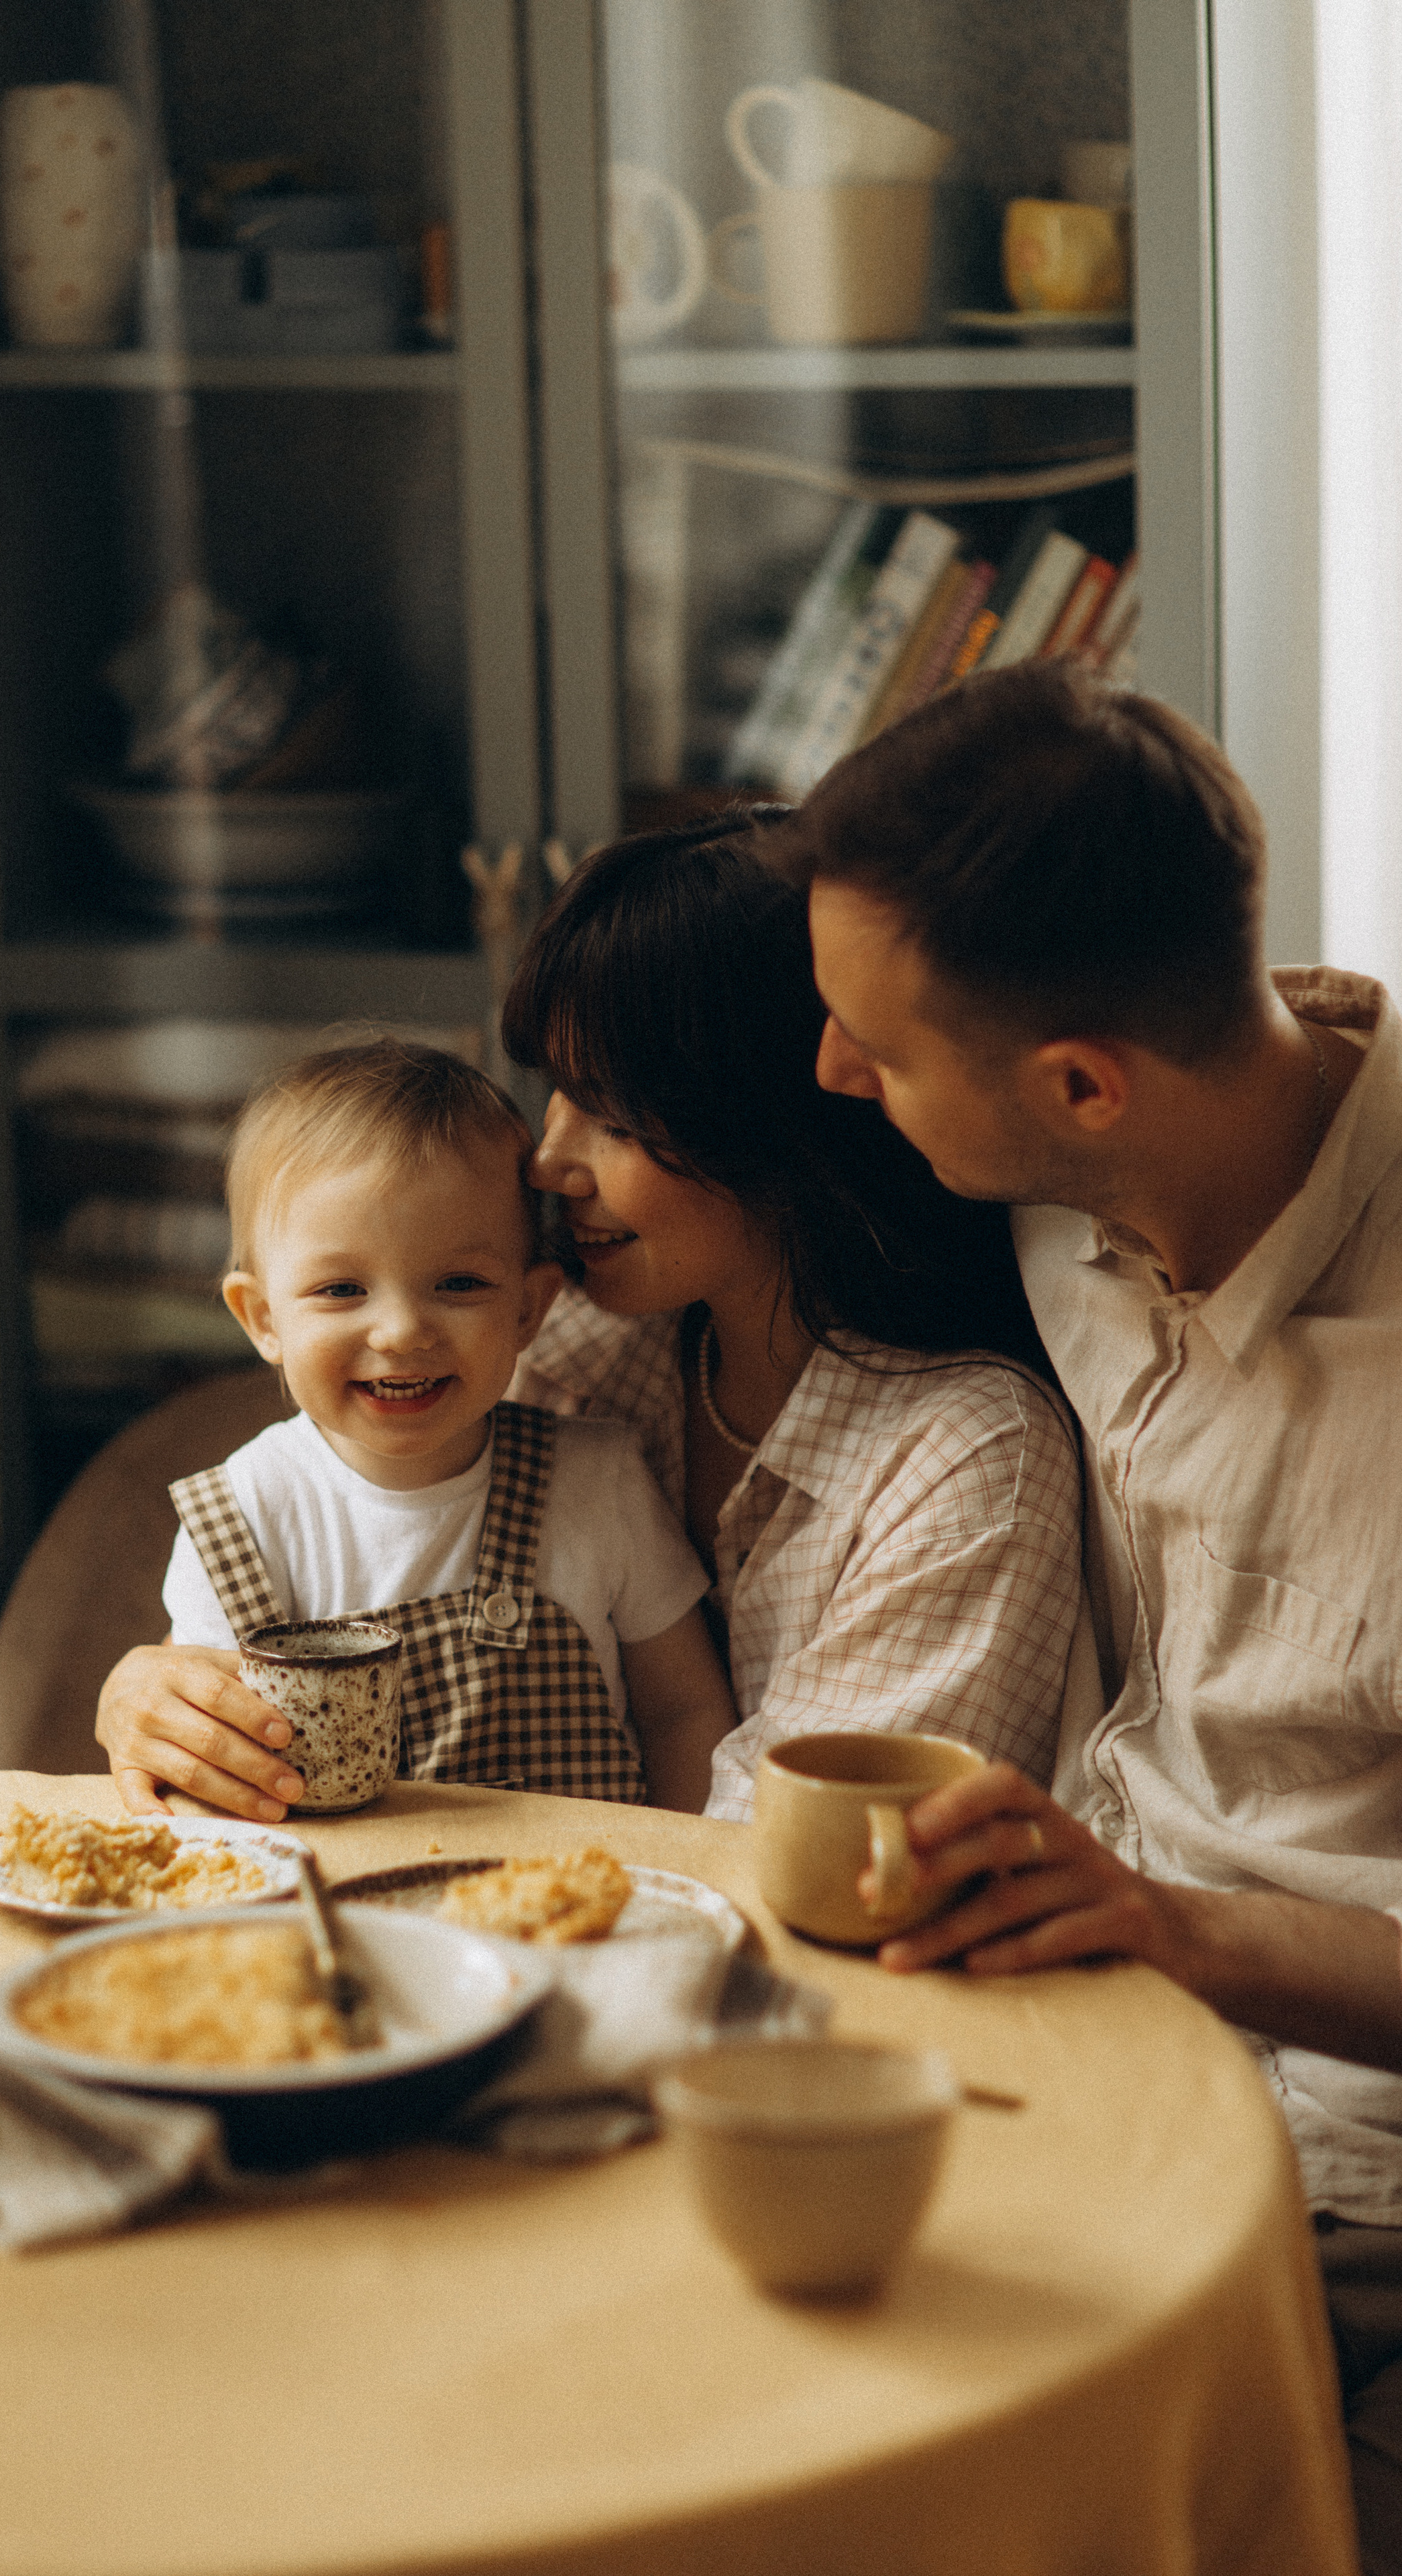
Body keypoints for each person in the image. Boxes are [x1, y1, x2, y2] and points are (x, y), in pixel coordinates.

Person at [788, 656, 1402, 2561]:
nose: (834, 1077)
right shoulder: (1072, 1169)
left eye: (875, 1051)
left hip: (1347, 2177)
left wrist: (1163, 1924)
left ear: (1076, 1084)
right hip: (1057, 2060)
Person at [498, 818, 1087, 1819]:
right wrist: (167, 1684)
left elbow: (790, 1858)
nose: (547, 1161)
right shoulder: (579, 1348)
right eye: (555, 1095)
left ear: (770, 1124)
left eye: (611, 1114)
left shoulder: (966, 1458)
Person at [97, 1039, 735, 1815]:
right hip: (335, 1919)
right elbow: (193, 1749)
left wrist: (691, 1873)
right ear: (263, 1318)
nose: (400, 1331)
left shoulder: (599, 1483)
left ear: (530, 1307)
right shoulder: (241, 1517)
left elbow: (683, 1715)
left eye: (458, 1283)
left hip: (576, 1918)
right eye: (341, 1289)